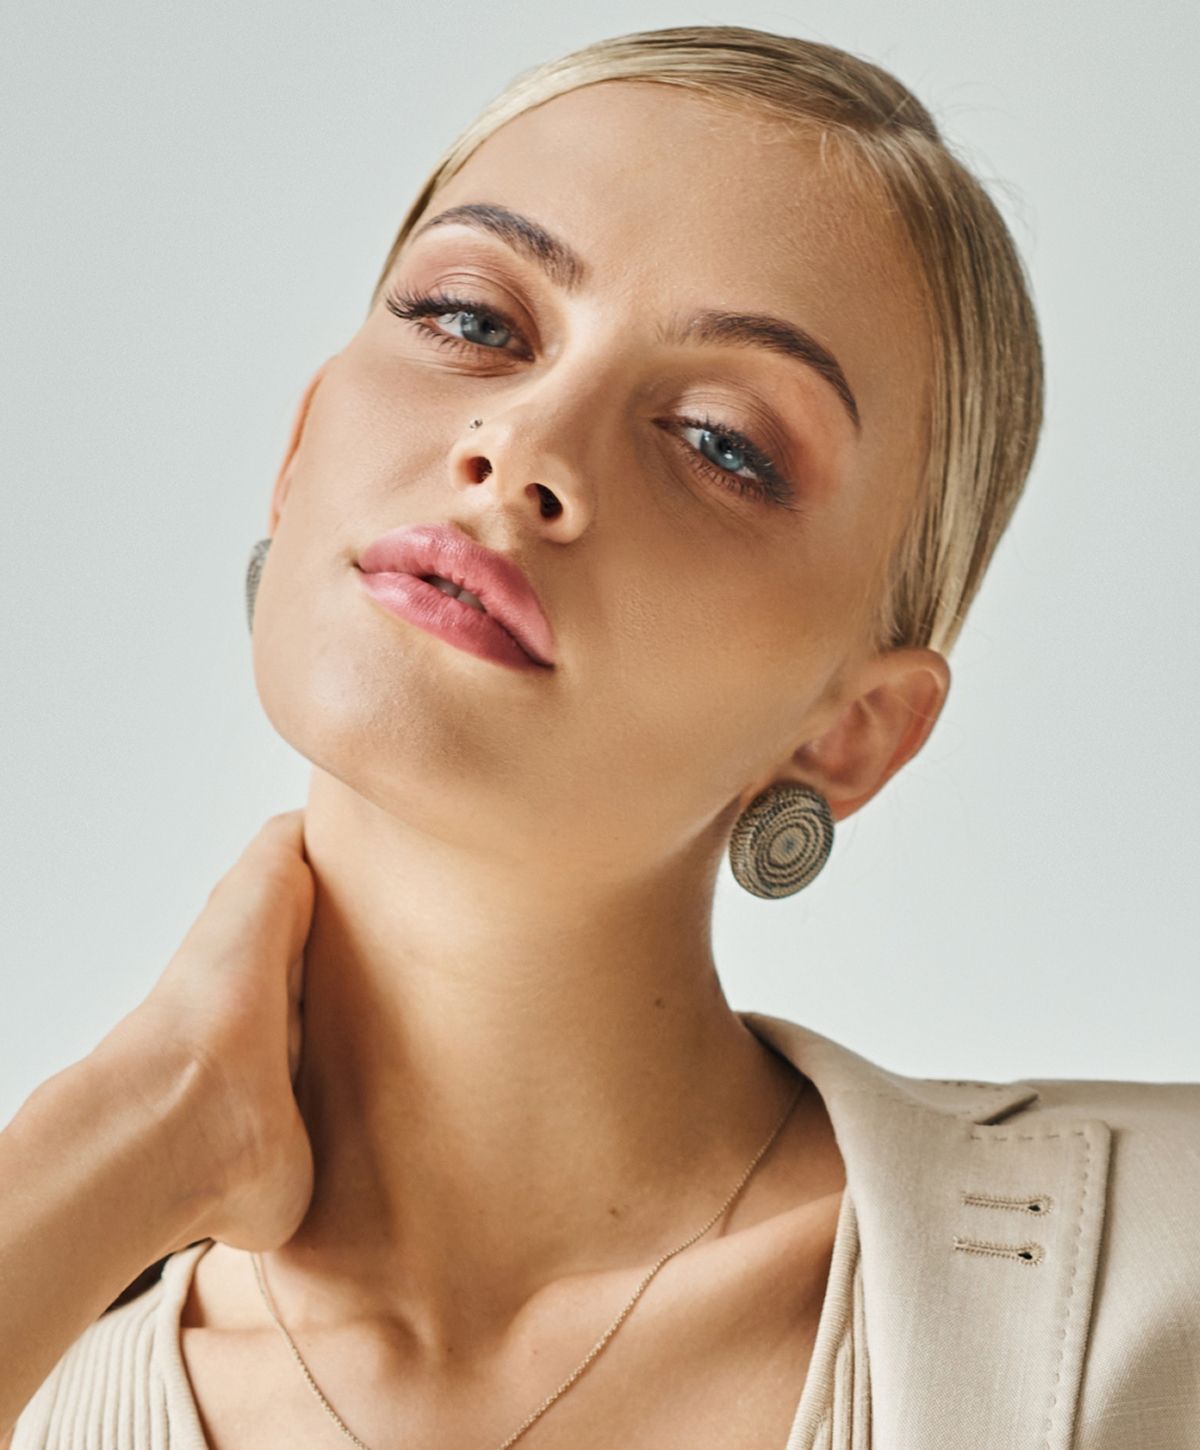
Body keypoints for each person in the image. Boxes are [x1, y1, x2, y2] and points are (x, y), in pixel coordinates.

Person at [4, 22, 1197, 1450]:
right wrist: (109, 1144)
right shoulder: (45, 1359)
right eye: (470, 318)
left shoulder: (1157, 1282)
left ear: (855, 730)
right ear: (301, 444)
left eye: (720, 442)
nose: (525, 444)